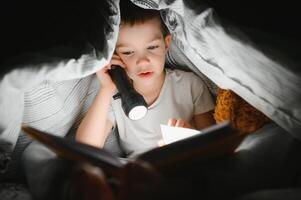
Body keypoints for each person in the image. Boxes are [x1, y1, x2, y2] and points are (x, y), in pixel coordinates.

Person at [76, 1, 215, 157]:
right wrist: (106, 88)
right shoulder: (114, 97)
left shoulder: (190, 85)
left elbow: (214, 145)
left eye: (152, 47)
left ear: (166, 44)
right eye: (128, 52)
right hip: (137, 173)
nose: (143, 61)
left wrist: (191, 138)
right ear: (114, 57)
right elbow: (85, 147)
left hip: (182, 163)